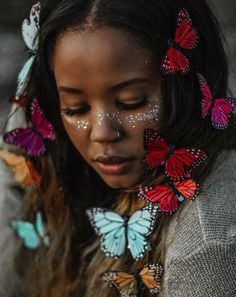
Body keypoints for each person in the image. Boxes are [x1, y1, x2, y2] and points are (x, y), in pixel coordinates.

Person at [0, 0, 235, 296]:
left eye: (131, 102)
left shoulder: (206, 243)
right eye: (75, 108)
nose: (103, 133)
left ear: (185, 91)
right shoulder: (50, 150)